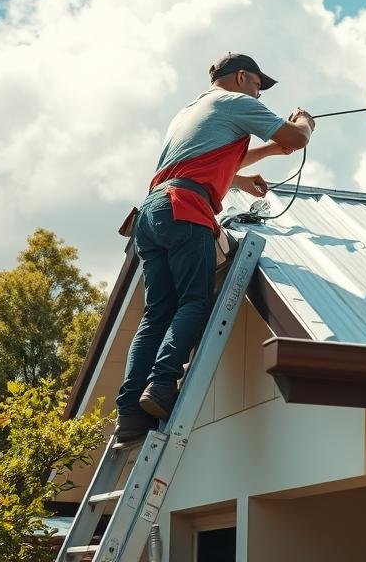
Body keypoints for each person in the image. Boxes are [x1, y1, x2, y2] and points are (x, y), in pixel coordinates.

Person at [114, 52, 315, 443]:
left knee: (157, 314)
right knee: (194, 302)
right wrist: (304, 123)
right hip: (185, 209)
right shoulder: (236, 102)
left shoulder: (193, 109)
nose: (259, 96)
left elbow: (204, 161)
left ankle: (129, 418)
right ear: (241, 77)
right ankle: (161, 384)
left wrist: (244, 175)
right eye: (258, 86)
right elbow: (295, 138)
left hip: (154, 213)